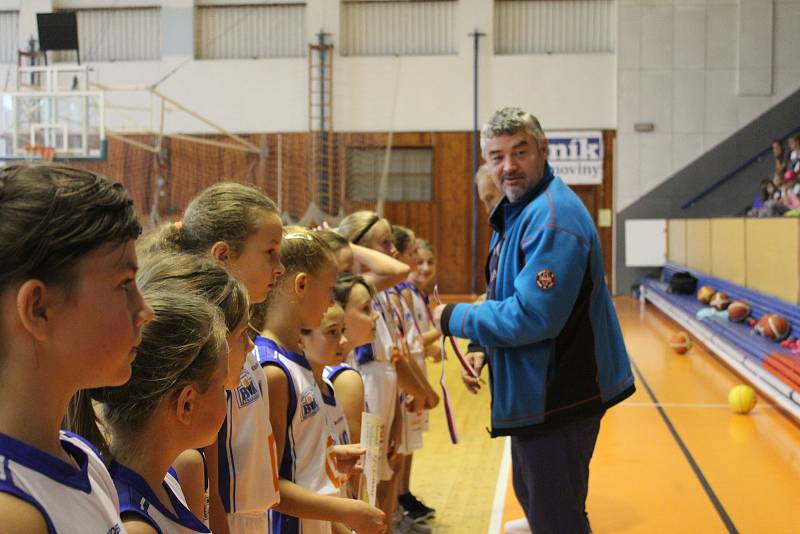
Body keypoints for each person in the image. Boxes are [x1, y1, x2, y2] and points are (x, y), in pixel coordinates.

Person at [432, 107, 636, 534]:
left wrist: (452, 316)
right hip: (537, 392)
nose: (508, 166)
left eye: (519, 152)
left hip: (559, 394)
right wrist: (483, 346)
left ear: (542, 150)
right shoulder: (520, 211)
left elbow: (532, 316)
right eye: (496, 155)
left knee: (556, 516)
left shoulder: (552, 219)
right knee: (537, 500)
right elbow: (509, 291)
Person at [0, 164, 153, 533]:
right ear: (38, 308)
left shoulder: (82, 457)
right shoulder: (12, 514)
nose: (145, 311)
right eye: (124, 283)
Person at [146, 182, 284, 534]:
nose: (280, 267)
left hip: (254, 515)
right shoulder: (204, 346)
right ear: (222, 256)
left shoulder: (241, 336)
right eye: (270, 252)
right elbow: (210, 483)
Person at [68, 273, 230, 534]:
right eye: (222, 386)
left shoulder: (164, 478)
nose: (226, 394)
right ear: (186, 404)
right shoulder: (135, 526)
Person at [258, 229, 387, 534]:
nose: (332, 300)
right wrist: (347, 510)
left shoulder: (300, 363)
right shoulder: (273, 371)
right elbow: (267, 486)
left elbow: (298, 463)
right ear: (302, 285)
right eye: (330, 289)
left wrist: (328, 460)